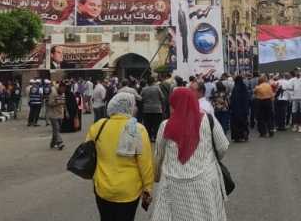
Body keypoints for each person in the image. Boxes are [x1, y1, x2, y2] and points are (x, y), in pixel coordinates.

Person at [148, 88, 229, 221]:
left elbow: (158, 155)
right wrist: (210, 159)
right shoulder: (208, 120)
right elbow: (223, 147)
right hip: (205, 181)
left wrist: (156, 176)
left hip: (172, 185)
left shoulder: (165, 125)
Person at [86, 93, 154, 221]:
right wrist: (148, 188)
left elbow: (89, 152)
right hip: (129, 190)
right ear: (129, 107)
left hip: (103, 188)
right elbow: (145, 164)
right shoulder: (138, 129)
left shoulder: (99, 126)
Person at [141, 76, 165, 142]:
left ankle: (148, 137)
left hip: (147, 109)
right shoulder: (157, 88)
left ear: (147, 82)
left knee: (147, 124)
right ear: (154, 82)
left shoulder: (144, 89)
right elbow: (162, 98)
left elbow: (141, 98)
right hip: (157, 109)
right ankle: (155, 137)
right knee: (156, 124)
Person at [230, 75, 250, 142]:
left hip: (236, 110)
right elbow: (247, 98)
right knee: (244, 123)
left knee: (236, 124)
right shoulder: (244, 87)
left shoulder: (235, 88)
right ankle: (245, 135)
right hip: (244, 109)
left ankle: (238, 137)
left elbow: (232, 100)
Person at [47, 83, 65, 150]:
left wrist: (66, 112)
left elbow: (63, 102)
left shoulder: (62, 93)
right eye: (62, 89)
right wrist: (58, 103)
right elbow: (50, 103)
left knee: (56, 130)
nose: (63, 91)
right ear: (60, 87)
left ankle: (52, 143)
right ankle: (60, 143)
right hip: (53, 114)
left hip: (60, 114)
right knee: (56, 129)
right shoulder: (53, 93)